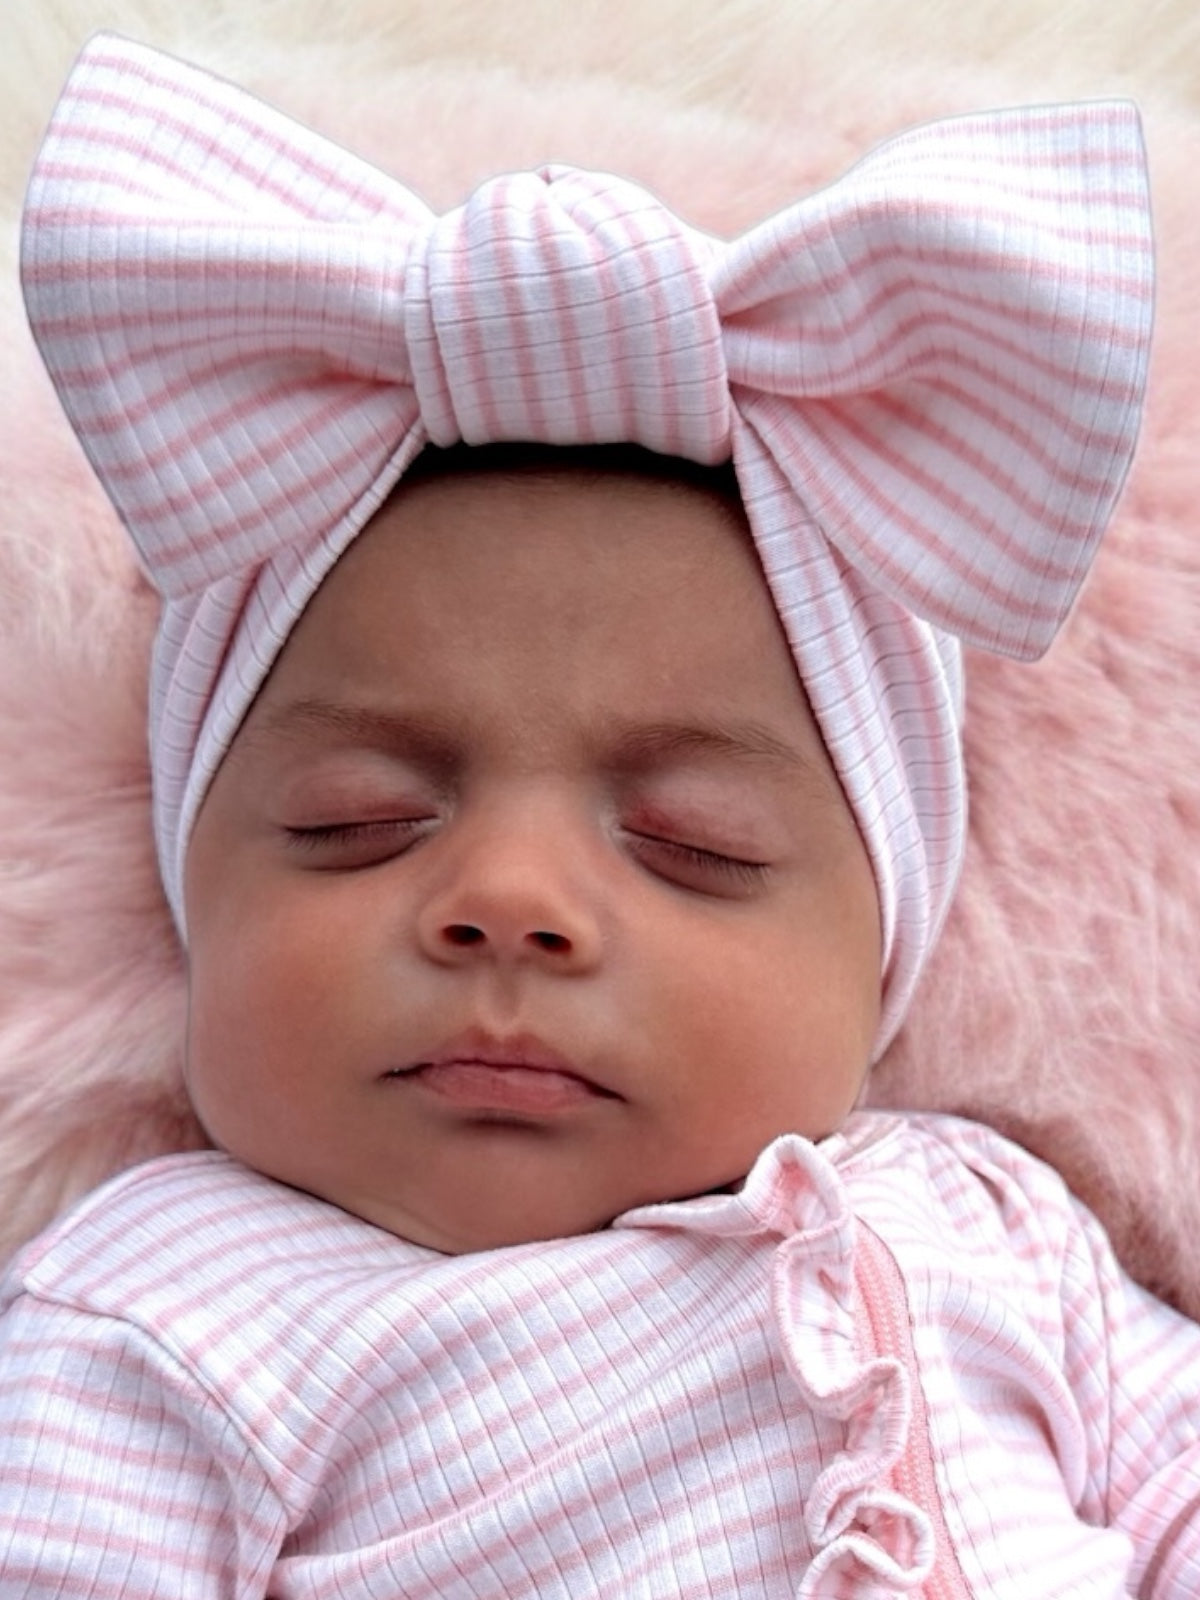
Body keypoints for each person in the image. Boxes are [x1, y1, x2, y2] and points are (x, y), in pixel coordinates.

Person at [1, 29, 1196, 1598]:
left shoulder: (999, 1225)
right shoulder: (169, 1310)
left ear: (880, 946)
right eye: (357, 821)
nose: (508, 895)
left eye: (694, 845)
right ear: (190, 890)